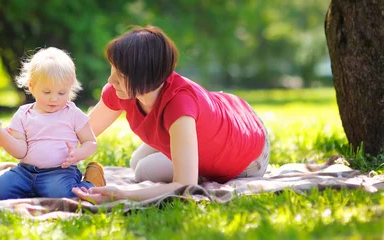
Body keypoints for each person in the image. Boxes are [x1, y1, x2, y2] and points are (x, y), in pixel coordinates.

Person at [72, 26, 270, 204]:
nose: (111, 79)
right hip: (229, 112)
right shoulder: (121, 91)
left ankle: (201, 167)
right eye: (113, 69)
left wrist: (122, 194)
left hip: (248, 152)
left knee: (144, 170)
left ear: (146, 78)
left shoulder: (179, 107)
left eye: (121, 74)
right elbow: (82, 133)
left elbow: (185, 186)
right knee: (136, 160)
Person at [0, 47, 105, 200]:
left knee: (63, 195)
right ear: (32, 86)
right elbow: (20, 151)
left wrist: (79, 153)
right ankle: (35, 190)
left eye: (61, 93)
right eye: (47, 92)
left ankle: (92, 183)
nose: (54, 99)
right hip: (25, 172)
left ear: (69, 88)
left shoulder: (72, 113)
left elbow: (90, 141)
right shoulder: (23, 114)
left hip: (59, 172)